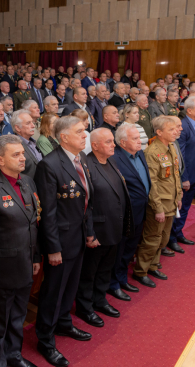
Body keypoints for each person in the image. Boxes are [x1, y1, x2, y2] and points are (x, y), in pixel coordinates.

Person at [0, 135, 41, 367]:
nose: (23, 158)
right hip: (3, 271)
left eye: (22, 153)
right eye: (16, 155)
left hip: (25, 264)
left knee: (18, 317)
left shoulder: (28, 182)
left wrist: (35, 256)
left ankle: (14, 356)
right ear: (0, 159)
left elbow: (33, 223)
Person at [34, 116, 96, 367]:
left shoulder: (81, 159)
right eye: (79, 131)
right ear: (64, 137)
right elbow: (47, 212)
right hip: (60, 241)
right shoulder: (49, 165)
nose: (85, 135)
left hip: (78, 237)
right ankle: (45, 340)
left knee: (70, 287)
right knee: (53, 292)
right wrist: (53, 249)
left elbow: (86, 201)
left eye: (84, 130)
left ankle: (63, 323)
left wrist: (89, 232)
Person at [75, 128, 131, 327]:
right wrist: (90, 233)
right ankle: (85, 307)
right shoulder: (87, 165)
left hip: (113, 227)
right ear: (95, 145)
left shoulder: (111, 161)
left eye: (112, 141)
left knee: (105, 269)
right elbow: (86, 204)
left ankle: (99, 300)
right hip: (97, 230)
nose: (113, 145)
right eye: (108, 142)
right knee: (89, 273)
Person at [133, 116, 182, 288]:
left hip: (171, 201)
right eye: (171, 129)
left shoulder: (171, 147)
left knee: (163, 238)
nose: (176, 132)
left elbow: (175, 175)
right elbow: (151, 183)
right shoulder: (152, 153)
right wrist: (157, 208)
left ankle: (153, 265)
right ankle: (141, 271)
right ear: (159, 132)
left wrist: (178, 196)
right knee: (152, 239)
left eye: (175, 129)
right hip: (159, 203)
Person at [109, 124, 150, 301]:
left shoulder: (140, 153)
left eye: (139, 138)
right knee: (119, 251)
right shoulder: (114, 158)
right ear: (123, 142)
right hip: (125, 213)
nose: (140, 141)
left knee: (130, 249)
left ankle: (122, 278)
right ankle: (113, 284)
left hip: (140, 210)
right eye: (135, 139)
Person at [170, 97, 195, 253]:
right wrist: (184, 178)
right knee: (179, 208)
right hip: (187, 176)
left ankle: (178, 233)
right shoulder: (184, 126)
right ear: (190, 110)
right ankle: (171, 238)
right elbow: (181, 156)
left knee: (186, 207)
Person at [11, 109, 42, 179]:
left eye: (32, 122)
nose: (33, 126)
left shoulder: (33, 142)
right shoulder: (15, 146)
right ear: (18, 128)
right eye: (28, 123)